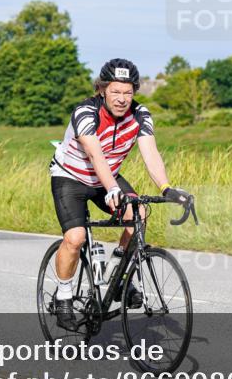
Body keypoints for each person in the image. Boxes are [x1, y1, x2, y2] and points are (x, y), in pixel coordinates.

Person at [49, 58, 190, 330]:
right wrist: (112, 188)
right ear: (102, 89)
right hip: (71, 177)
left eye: (128, 92)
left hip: (107, 178)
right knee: (75, 238)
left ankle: (120, 277)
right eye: (116, 91)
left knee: (138, 212)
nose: (122, 99)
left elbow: (150, 153)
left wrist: (167, 188)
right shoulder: (85, 112)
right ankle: (64, 294)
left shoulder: (140, 115)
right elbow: (94, 154)